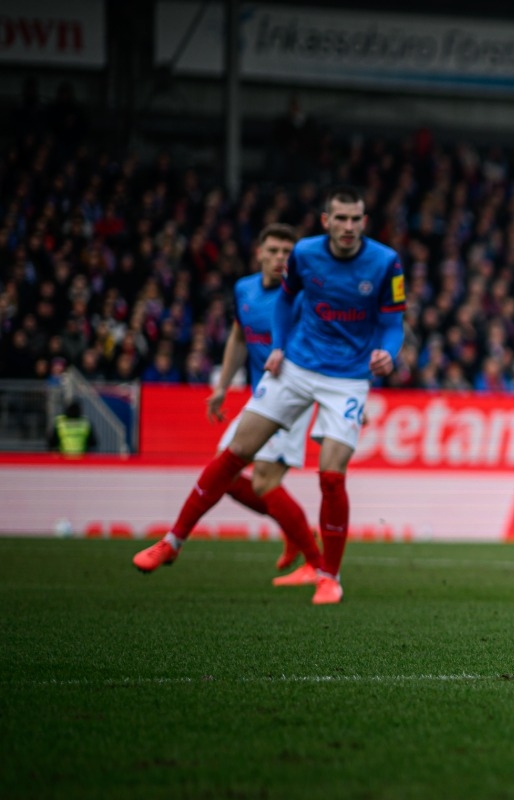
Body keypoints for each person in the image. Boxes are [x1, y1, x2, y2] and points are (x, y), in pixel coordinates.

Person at [133, 187, 405, 606]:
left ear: (364, 221)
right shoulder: (305, 255)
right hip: (295, 367)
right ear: (325, 221)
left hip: (347, 379)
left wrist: (390, 352)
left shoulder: (386, 262)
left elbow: (392, 321)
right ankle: (172, 542)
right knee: (234, 453)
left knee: (331, 476)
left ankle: (328, 576)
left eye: (356, 219)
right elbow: (285, 300)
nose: (349, 227)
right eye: (341, 219)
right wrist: (278, 345)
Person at [203, 223, 325, 583]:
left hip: (292, 399)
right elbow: (239, 336)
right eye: (273, 250)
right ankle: (295, 531)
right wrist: (223, 386)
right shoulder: (244, 289)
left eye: (287, 253)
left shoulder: (302, 297)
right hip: (260, 398)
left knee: (264, 483)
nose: (279, 258)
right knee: (222, 473)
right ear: (259, 252)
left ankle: (315, 564)